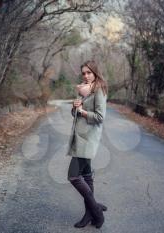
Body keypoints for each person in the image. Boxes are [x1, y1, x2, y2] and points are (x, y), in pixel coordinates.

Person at [67, 60, 108, 229]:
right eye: (83, 73)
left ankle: (96, 210)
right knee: (87, 176)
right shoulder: (83, 89)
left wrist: (83, 111)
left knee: (73, 176)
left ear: (95, 72)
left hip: (87, 139)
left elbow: (100, 117)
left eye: (88, 72)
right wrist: (75, 107)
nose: (85, 75)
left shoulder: (99, 90)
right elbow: (75, 113)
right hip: (79, 136)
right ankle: (89, 214)